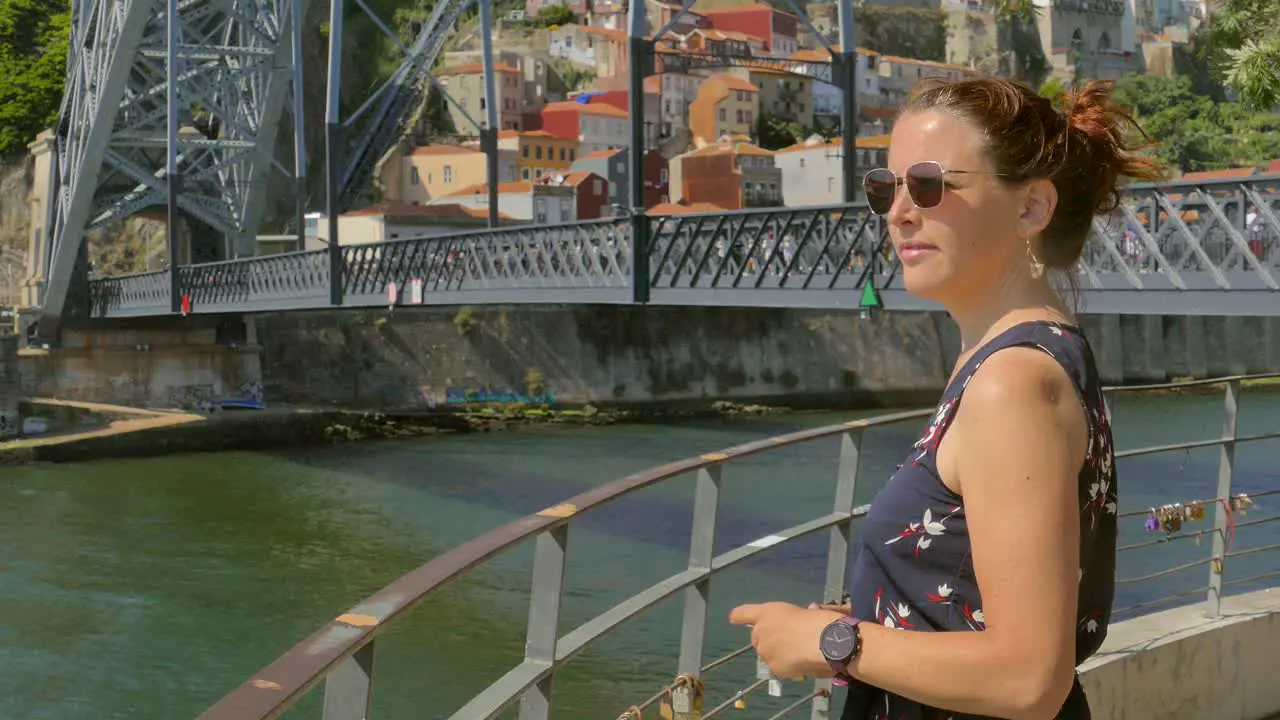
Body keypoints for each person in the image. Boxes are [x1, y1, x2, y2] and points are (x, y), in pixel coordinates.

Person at [729, 76, 1164, 719]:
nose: (899, 211)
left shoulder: (1012, 382)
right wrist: (877, 615)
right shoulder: (1023, 357)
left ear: (1031, 209)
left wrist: (829, 643)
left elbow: (1028, 679)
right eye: (887, 187)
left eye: (930, 185)